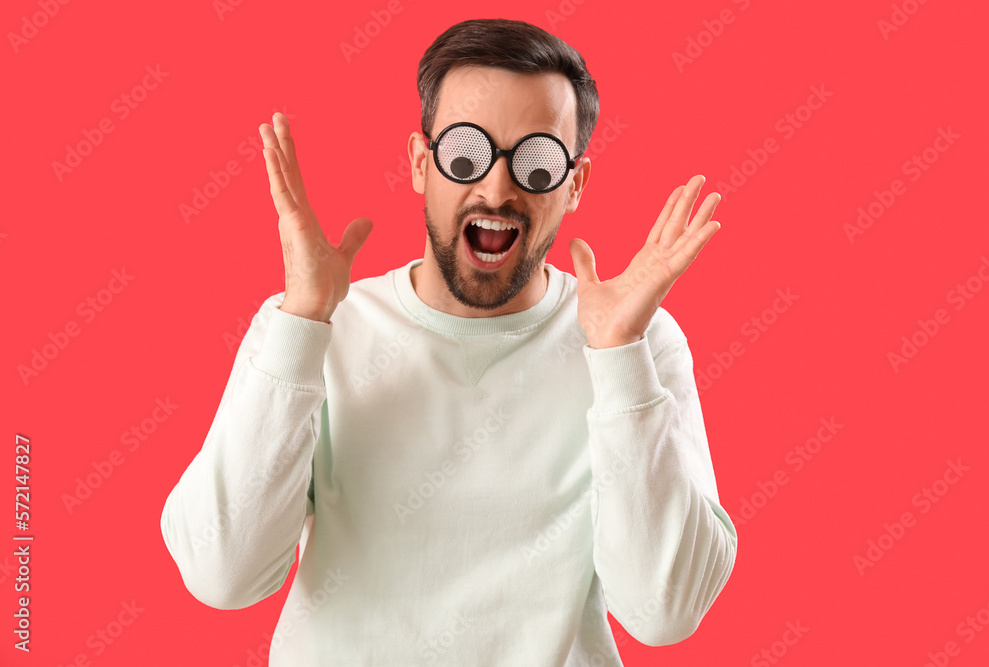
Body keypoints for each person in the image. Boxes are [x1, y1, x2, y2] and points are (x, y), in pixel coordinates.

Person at [160, 17, 736, 666]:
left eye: (538, 162)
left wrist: (619, 359)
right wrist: (302, 323)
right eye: (466, 153)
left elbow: (665, 612)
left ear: (574, 184)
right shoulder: (314, 325)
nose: (496, 188)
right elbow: (221, 574)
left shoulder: (637, 342)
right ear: (418, 162)